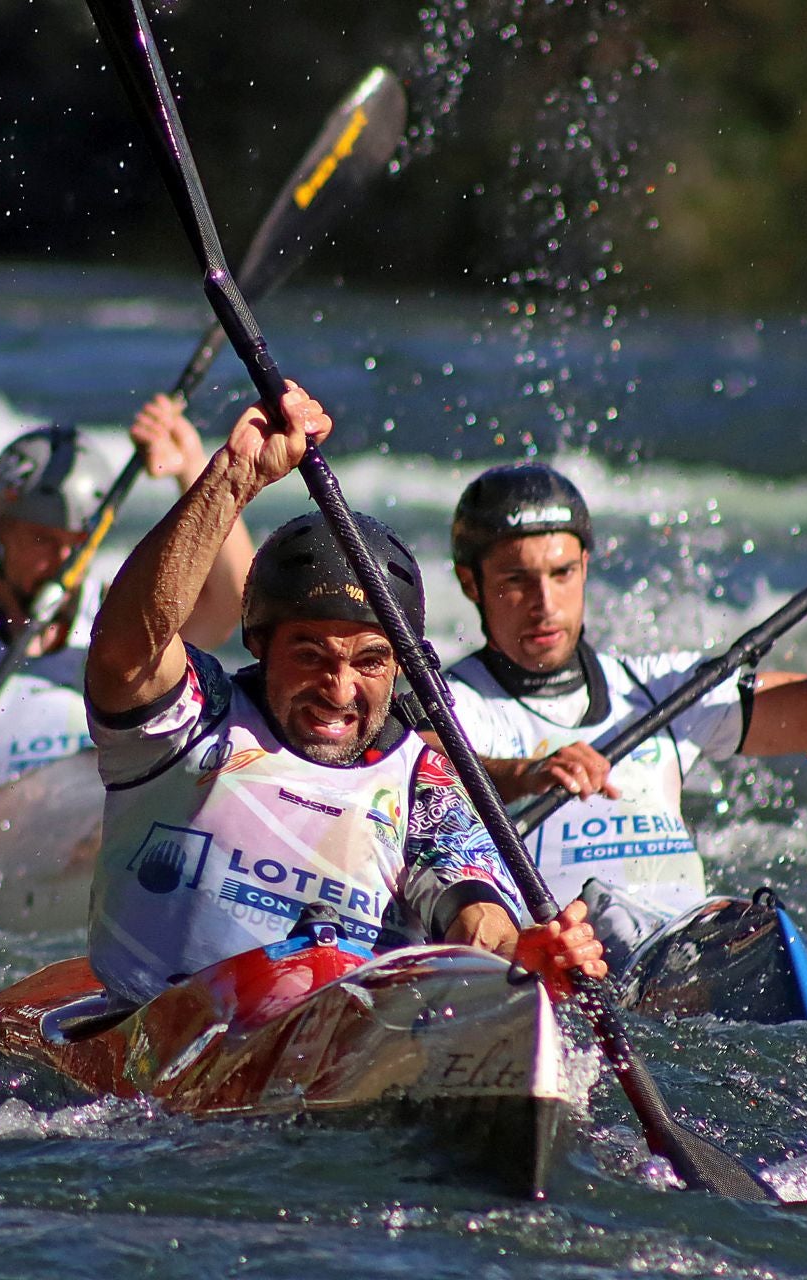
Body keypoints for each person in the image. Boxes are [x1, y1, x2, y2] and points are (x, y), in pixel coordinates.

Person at [82, 385, 604, 1006]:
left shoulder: (421, 779)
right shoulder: (195, 720)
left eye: (370, 660)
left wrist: (522, 954)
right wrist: (233, 478)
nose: (339, 688)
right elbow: (127, 647)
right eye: (310, 655)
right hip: (147, 1031)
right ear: (259, 644)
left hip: (325, 1041)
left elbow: (473, 911)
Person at [440, 462, 807, 980]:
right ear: (471, 584)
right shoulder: (452, 706)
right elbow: (415, 777)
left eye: (562, 573)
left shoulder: (662, 691)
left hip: (686, 964)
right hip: (567, 977)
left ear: (586, 567)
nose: (545, 605)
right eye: (516, 581)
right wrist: (526, 774)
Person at [0, 395, 254, 823]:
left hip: (90, 830)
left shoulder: (116, 622)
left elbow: (229, 603)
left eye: (76, 543)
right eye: (41, 540)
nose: (61, 561)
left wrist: (198, 469)